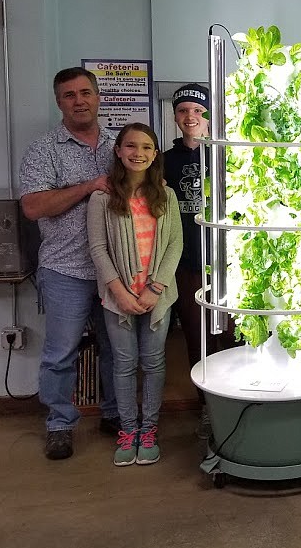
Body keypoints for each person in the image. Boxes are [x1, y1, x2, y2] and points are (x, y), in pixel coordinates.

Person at [20, 67, 120, 460]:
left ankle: (115, 414)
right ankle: (60, 424)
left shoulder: (121, 144)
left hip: (115, 270)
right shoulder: (43, 150)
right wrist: (89, 186)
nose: (78, 101)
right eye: (68, 95)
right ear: (58, 101)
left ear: (98, 98)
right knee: (61, 352)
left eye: (85, 93)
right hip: (66, 270)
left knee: (117, 350)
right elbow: (32, 206)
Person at [88, 123, 182, 467]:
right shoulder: (102, 197)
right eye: (130, 146)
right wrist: (119, 291)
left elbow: (175, 244)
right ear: (118, 151)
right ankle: (128, 431)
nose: (138, 153)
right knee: (124, 364)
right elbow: (98, 249)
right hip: (119, 298)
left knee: (154, 363)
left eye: (146, 147)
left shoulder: (166, 195)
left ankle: (149, 430)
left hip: (157, 296)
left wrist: (156, 287)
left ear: (155, 154)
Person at [162, 83, 236, 439]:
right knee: (198, 337)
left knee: (232, 336)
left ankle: (236, 402)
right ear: (175, 116)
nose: (191, 117)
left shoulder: (228, 154)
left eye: (198, 110)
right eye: (183, 111)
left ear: (210, 115)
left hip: (227, 264)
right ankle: (207, 407)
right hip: (187, 263)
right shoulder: (165, 161)